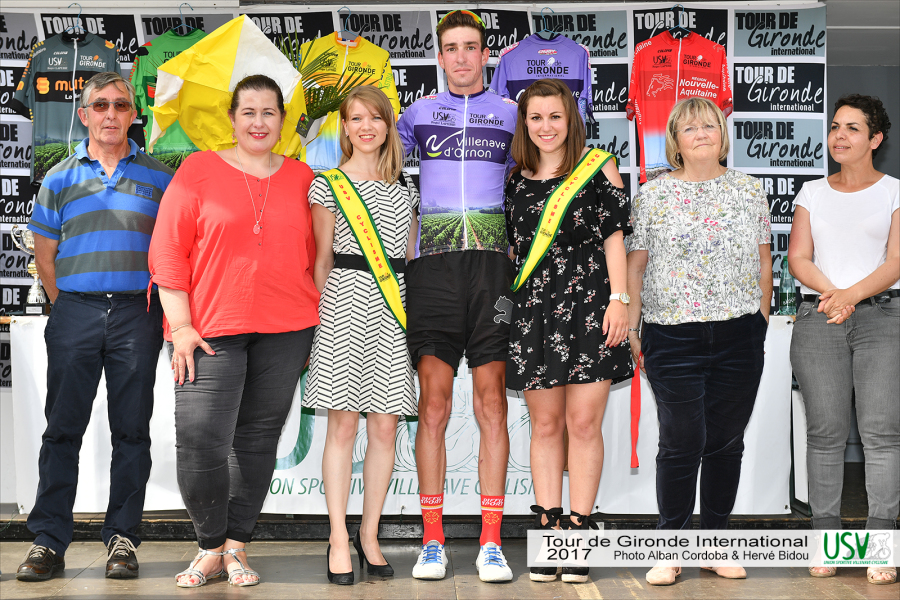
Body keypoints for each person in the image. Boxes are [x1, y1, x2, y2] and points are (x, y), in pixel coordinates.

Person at [148, 74, 319, 588]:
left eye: (269, 113)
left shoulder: (303, 177)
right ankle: (209, 547)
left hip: (287, 328)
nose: (258, 122)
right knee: (200, 440)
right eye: (249, 112)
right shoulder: (199, 169)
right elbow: (167, 251)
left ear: (283, 121)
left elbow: (318, 255)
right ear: (232, 119)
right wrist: (181, 326)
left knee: (257, 440)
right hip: (208, 329)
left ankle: (237, 548)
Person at [16, 72, 173, 582]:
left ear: (134, 114)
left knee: (132, 431)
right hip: (75, 311)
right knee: (62, 430)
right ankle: (48, 540)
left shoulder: (160, 178)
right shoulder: (58, 178)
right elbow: (45, 254)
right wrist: (67, 304)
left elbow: (171, 251)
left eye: (120, 105)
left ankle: (122, 538)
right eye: (100, 105)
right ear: (83, 114)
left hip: (137, 314)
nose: (110, 113)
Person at [625, 97, 772, 586]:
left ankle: (715, 544)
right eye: (690, 128)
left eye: (709, 124)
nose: (702, 133)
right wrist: (634, 328)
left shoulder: (750, 190)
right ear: (675, 141)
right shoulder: (652, 195)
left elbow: (764, 261)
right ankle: (671, 547)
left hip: (739, 334)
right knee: (682, 440)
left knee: (726, 443)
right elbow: (636, 267)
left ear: (722, 135)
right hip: (671, 336)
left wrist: (760, 319)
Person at [396, 9, 518, 583]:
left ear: (486, 54)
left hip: (493, 268)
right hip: (434, 267)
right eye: (452, 48)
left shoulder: (512, 114)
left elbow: (544, 174)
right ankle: (433, 540)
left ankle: (491, 541)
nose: (463, 57)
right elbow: (373, 161)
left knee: (492, 403)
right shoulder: (415, 114)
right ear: (440, 56)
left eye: (472, 46)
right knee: (434, 405)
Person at [504, 79, 632, 583]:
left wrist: (620, 300)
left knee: (582, 424)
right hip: (535, 312)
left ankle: (577, 532)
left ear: (571, 120)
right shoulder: (515, 181)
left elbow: (615, 239)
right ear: (525, 124)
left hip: (591, 306)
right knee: (546, 425)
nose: (546, 126)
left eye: (555, 116)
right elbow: (514, 252)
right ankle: (548, 531)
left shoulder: (599, 167)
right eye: (536, 117)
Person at [304, 85, 419, 585]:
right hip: (342, 309)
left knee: (385, 429)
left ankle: (369, 535)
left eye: (376, 118)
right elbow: (321, 261)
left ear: (388, 126)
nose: (366, 127)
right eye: (356, 119)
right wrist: (318, 325)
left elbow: (409, 261)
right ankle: (337, 536)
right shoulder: (327, 185)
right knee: (343, 428)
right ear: (345, 128)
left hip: (393, 312)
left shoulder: (405, 189)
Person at [788, 94, 898, 586]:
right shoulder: (812, 192)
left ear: (875, 139)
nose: (840, 135)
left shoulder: (894, 192)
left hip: (883, 318)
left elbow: (896, 261)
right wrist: (834, 297)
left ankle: (881, 548)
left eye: (853, 128)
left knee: (881, 435)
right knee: (825, 434)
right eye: (835, 126)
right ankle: (826, 543)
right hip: (820, 318)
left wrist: (849, 296)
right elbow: (798, 258)